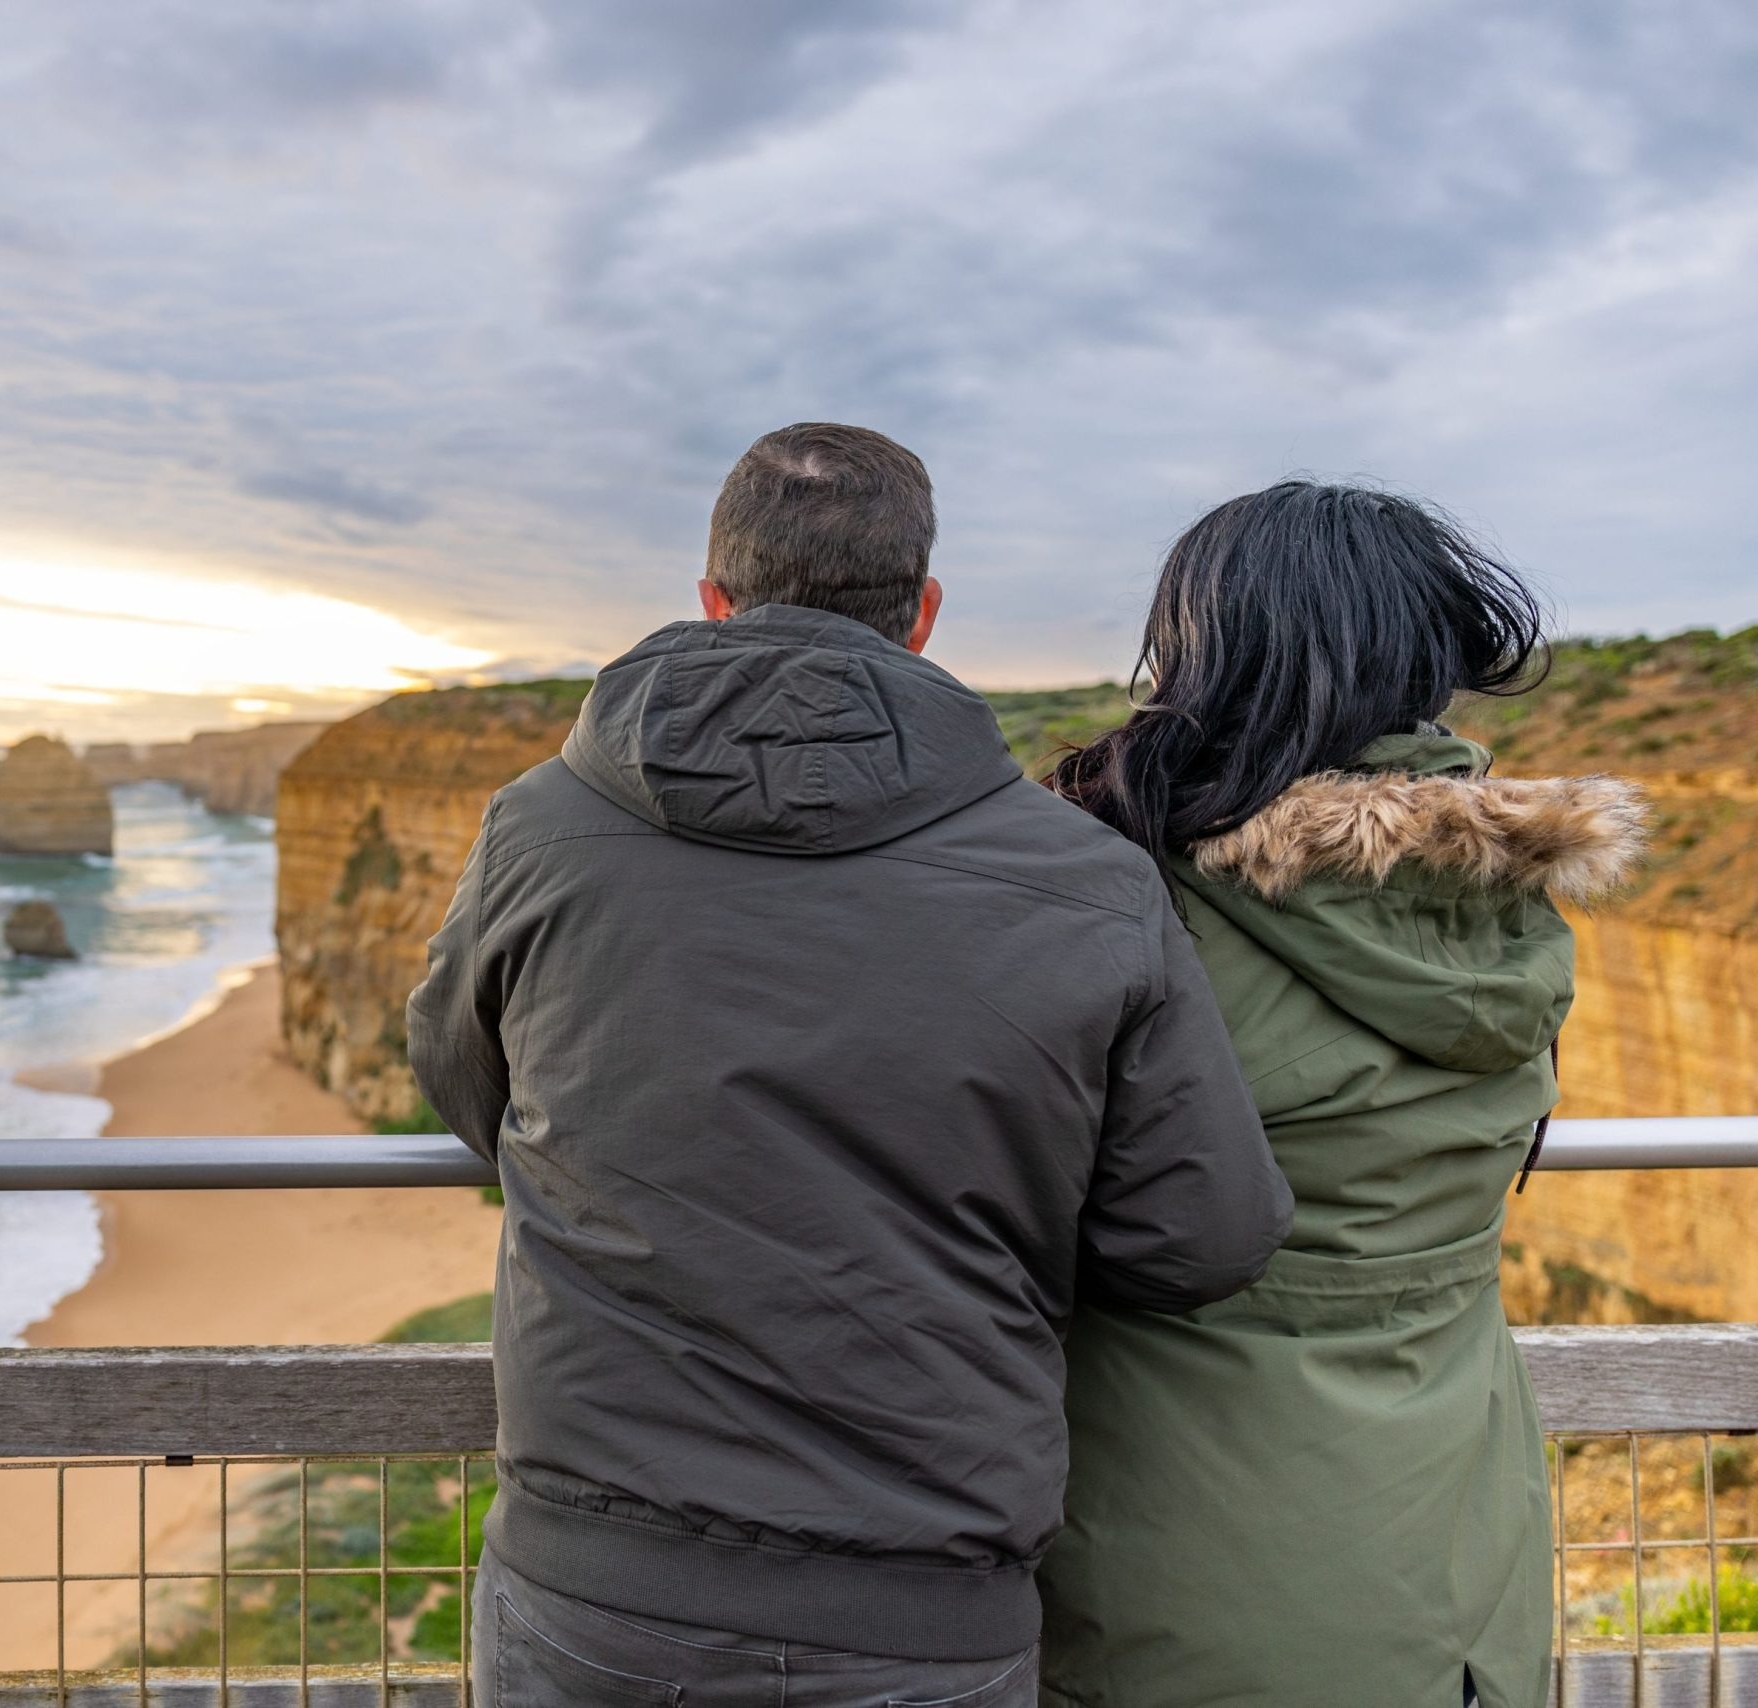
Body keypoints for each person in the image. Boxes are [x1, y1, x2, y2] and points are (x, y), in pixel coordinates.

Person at [408, 422, 1293, 1708]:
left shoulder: (543, 823)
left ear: (712, 600)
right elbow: (1202, 1235)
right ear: (922, 613)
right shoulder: (1083, 876)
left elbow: (461, 1080)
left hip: (597, 1583)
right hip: (923, 1603)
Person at [1037, 482, 1648, 1708]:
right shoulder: (1504, 906)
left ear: (1204, 662)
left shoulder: (1122, 906)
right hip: (1461, 1575)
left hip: (1175, 1588)